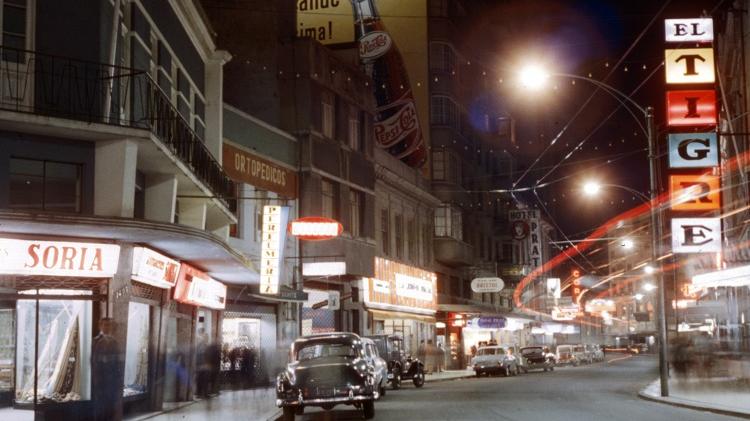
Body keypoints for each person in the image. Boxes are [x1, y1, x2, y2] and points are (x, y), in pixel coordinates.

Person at [91, 317, 122, 421]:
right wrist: (97, 379)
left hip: (112, 380)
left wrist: (118, 378)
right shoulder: (96, 341)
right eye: (105, 325)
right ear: (100, 326)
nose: (107, 327)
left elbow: (117, 361)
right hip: (100, 380)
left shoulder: (114, 341)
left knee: (111, 405)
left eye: (109, 325)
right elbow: (94, 361)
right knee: (100, 406)